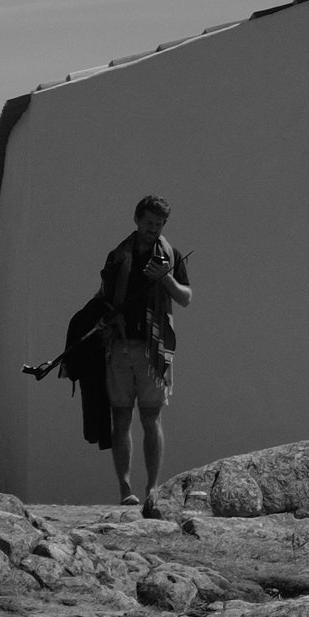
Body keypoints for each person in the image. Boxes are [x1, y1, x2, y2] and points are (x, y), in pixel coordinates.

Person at [99, 194, 192, 516]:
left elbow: (185, 298)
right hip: (121, 344)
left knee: (151, 418)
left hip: (155, 348)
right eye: (149, 223)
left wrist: (163, 277)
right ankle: (125, 488)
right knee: (121, 417)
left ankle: (152, 487)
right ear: (137, 221)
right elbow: (104, 296)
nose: (153, 229)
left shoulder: (171, 256)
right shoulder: (117, 257)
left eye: (159, 224)